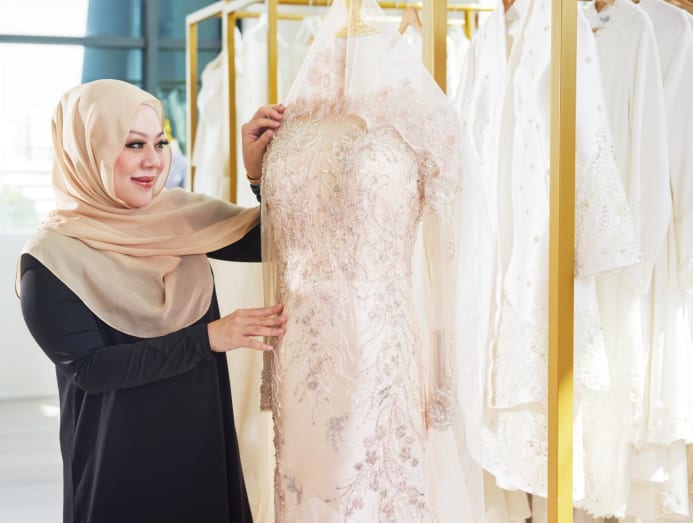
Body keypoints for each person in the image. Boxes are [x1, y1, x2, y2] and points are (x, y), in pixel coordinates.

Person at [16, 79, 283, 523]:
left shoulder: (178, 218)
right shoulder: (48, 259)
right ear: (88, 151)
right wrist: (209, 338)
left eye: (159, 143)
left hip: (202, 449)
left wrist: (259, 175)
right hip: (120, 469)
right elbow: (92, 370)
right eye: (133, 144)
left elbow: (272, 240)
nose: (153, 161)